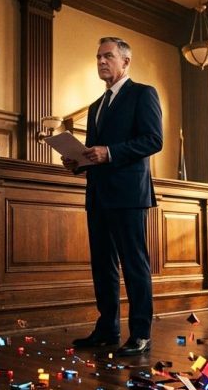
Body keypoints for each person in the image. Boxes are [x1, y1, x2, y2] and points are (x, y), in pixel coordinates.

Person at [63, 37, 163, 357]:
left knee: (135, 265)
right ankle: (107, 329)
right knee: (102, 266)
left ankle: (141, 334)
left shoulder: (143, 94)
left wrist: (109, 153)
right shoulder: (95, 107)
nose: (101, 62)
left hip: (129, 194)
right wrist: (77, 161)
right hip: (98, 194)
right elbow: (96, 154)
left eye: (108, 56)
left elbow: (152, 139)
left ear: (125, 62)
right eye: (98, 57)